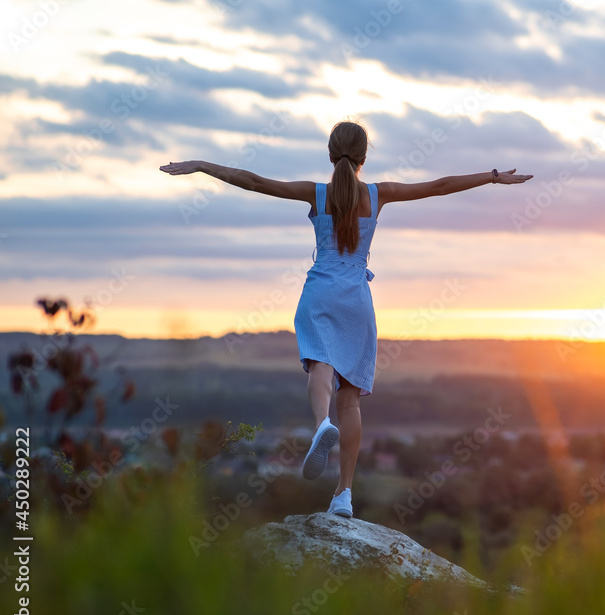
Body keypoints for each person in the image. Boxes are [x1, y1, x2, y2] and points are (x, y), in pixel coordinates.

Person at [159, 120, 532, 518]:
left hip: (320, 291)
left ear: (330, 152)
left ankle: (321, 425)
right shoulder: (379, 194)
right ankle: (344, 494)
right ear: (364, 157)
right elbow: (438, 186)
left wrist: (202, 164)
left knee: (320, 366)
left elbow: (252, 181)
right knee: (350, 399)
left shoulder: (315, 194)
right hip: (356, 298)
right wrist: (492, 177)